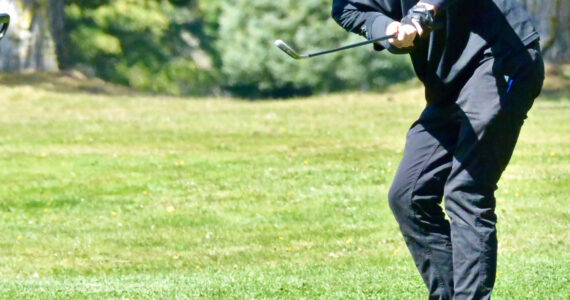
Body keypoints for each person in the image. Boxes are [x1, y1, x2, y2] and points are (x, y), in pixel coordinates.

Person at [332, 0, 544, 299]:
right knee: (408, 195)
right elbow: (348, 9)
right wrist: (389, 28)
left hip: (501, 57)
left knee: (466, 189)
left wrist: (426, 8)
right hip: (447, 82)